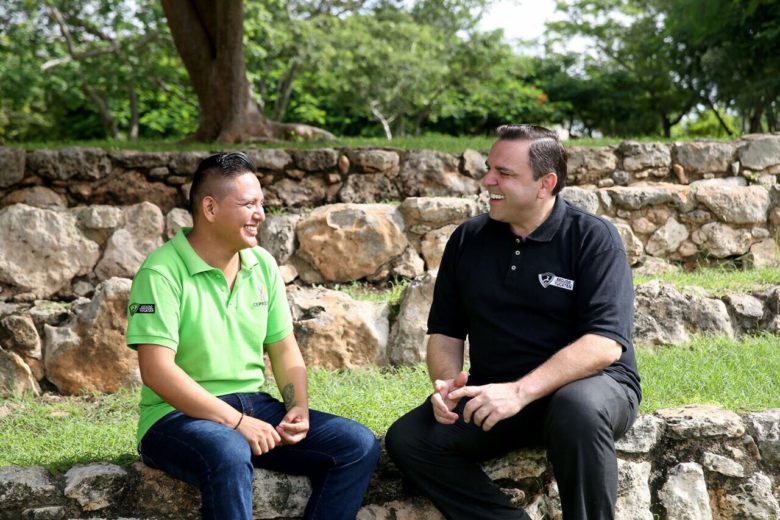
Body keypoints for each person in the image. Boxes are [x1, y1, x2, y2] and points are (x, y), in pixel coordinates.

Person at [385, 124, 641, 520]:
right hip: (501, 393)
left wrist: (520, 392)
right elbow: (445, 334)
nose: (488, 181)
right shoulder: (468, 240)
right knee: (410, 439)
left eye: (504, 174)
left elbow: (605, 344)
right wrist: (447, 385)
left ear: (546, 184)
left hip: (591, 389)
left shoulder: (592, 238)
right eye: (490, 169)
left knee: (576, 408)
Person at [126, 152, 380, 520]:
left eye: (261, 202)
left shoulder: (262, 264)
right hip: (174, 417)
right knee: (229, 451)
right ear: (210, 208)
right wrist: (236, 423)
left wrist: (298, 407)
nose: (260, 214)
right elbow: (157, 371)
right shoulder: (161, 271)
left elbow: (283, 347)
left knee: (357, 445)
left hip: (253, 405)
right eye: (248, 204)